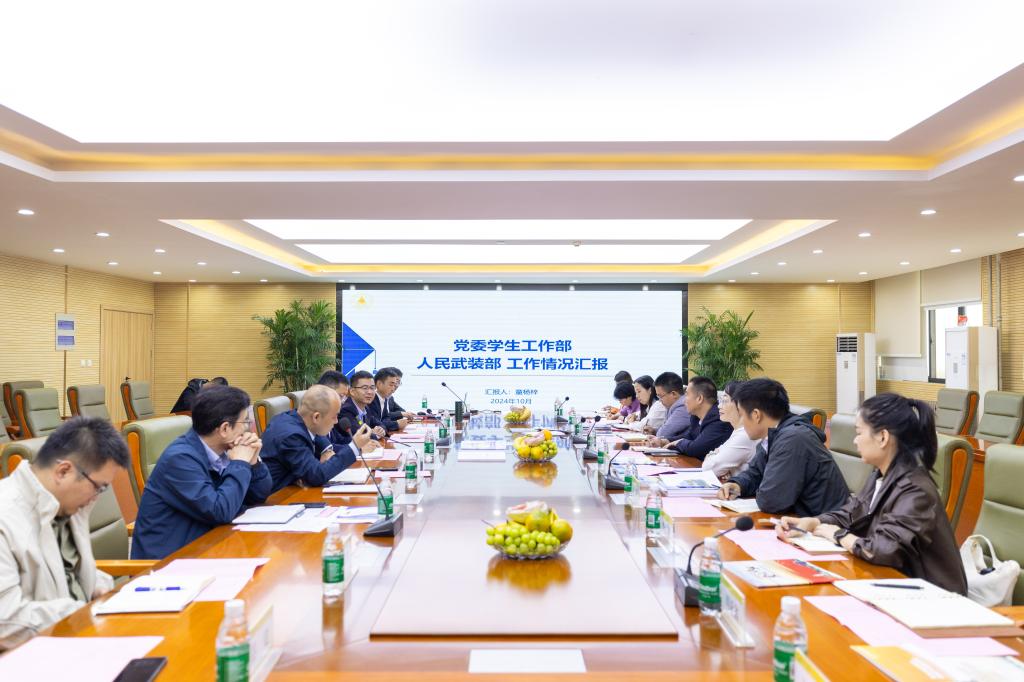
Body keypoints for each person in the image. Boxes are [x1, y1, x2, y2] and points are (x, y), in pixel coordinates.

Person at [777, 393, 968, 594]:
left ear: (883, 437)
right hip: (895, 585)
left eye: (859, 433)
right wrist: (814, 522)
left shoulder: (915, 489)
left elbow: (883, 549)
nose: (855, 441)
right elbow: (852, 512)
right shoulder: (882, 474)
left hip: (933, 597)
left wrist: (838, 535)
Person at [0, 417, 128, 641]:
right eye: (99, 487)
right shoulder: (6, 516)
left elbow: (62, 573)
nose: (96, 498)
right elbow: (5, 620)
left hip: (76, 637)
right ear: (63, 471)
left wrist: (98, 586)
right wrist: (81, 611)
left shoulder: (67, 506)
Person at [131, 385, 271, 560]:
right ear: (225, 429)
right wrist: (240, 463)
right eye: (245, 422)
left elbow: (259, 495)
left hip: (207, 546)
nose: (248, 429)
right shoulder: (180, 459)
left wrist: (253, 462)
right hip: (170, 562)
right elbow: (220, 510)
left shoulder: (225, 449)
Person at [718, 378, 848, 516]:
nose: (741, 421)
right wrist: (738, 485)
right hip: (801, 518)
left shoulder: (793, 439)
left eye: (741, 415)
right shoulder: (774, 435)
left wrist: (761, 487)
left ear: (756, 415)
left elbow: (771, 501)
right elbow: (755, 473)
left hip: (827, 523)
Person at [261, 385, 373, 493]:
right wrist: (354, 447)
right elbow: (316, 475)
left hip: (293, 490)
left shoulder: (295, 418)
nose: (336, 421)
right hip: (278, 498)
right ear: (316, 417)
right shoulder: (292, 436)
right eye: (334, 416)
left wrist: (326, 450)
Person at [650, 376, 732, 459]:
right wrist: (665, 441)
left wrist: (677, 443)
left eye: (687, 394)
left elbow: (696, 448)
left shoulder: (719, 419)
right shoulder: (695, 417)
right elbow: (690, 436)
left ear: (699, 398)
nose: (684, 400)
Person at [702, 381, 760, 479]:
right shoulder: (739, 431)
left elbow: (708, 468)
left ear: (741, 405)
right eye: (720, 401)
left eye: (725, 401)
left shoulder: (745, 435)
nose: (719, 406)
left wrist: (713, 456)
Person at [340, 371, 388, 439]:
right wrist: (374, 434)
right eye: (365, 388)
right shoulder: (346, 410)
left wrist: (381, 430)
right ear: (352, 391)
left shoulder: (366, 408)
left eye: (372, 388)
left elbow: (380, 424)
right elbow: (358, 435)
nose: (370, 392)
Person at [652, 372, 691, 441]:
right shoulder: (672, 406)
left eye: (660, 396)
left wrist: (657, 433)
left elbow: (663, 434)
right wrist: (654, 431)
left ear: (673, 394)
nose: (660, 400)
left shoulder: (683, 407)